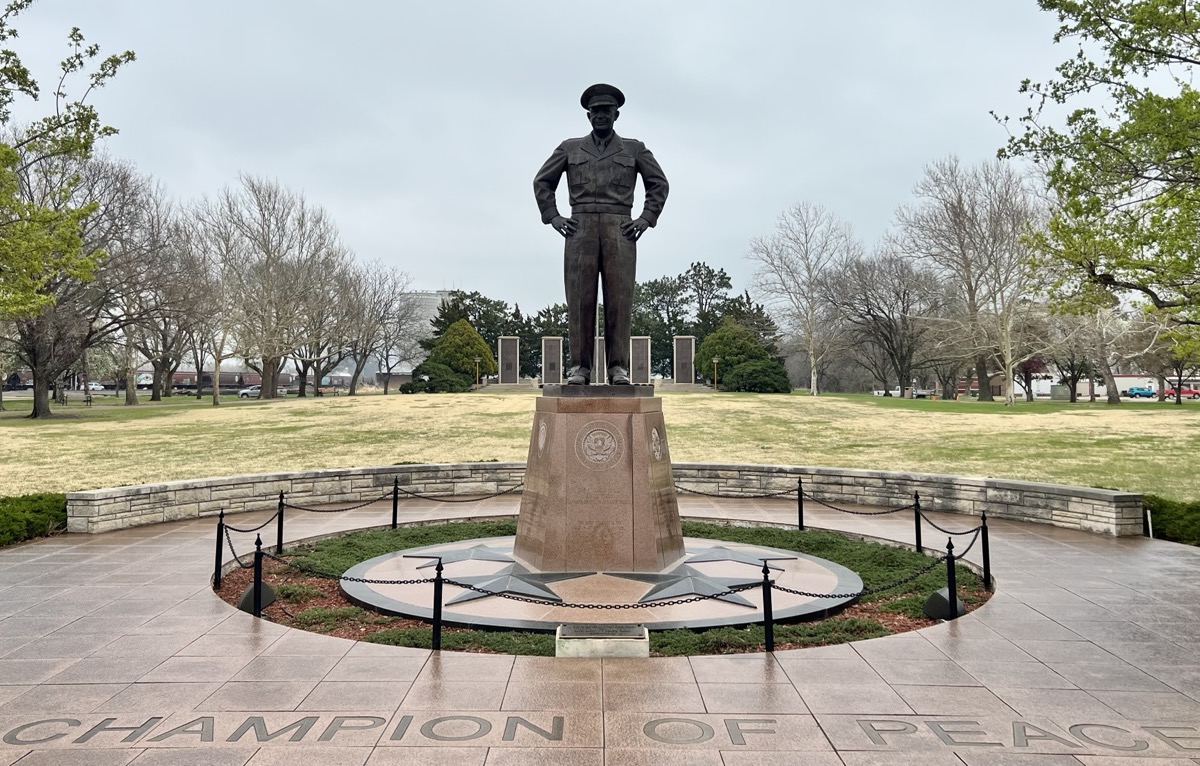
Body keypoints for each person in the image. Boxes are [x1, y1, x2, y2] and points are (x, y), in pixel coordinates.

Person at [533, 83, 668, 385]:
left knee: (619, 299)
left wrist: (646, 218)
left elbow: (659, 184)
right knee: (580, 299)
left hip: (619, 228)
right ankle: (580, 368)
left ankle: (617, 367)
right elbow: (542, 181)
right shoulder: (570, 148)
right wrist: (553, 216)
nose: (600, 116)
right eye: (595, 112)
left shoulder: (634, 149)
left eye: (606, 111)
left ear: (616, 114)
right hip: (579, 229)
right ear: (588, 115)